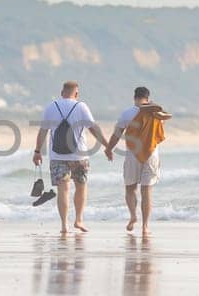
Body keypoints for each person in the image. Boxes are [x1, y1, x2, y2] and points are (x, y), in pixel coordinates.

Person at [32, 81, 112, 235]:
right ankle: (78, 220)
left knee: (63, 189)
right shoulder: (81, 106)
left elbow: (42, 131)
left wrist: (37, 151)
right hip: (79, 155)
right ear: (76, 93)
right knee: (81, 187)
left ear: (62, 92)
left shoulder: (51, 106)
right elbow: (93, 128)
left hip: (57, 156)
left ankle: (64, 225)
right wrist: (107, 146)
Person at [105, 87, 171, 237]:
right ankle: (145, 226)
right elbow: (164, 122)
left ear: (134, 97)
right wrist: (155, 107)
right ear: (148, 98)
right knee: (146, 190)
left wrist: (109, 149)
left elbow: (117, 134)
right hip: (151, 154)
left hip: (132, 155)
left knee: (130, 188)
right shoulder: (156, 113)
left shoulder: (127, 113)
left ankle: (133, 216)